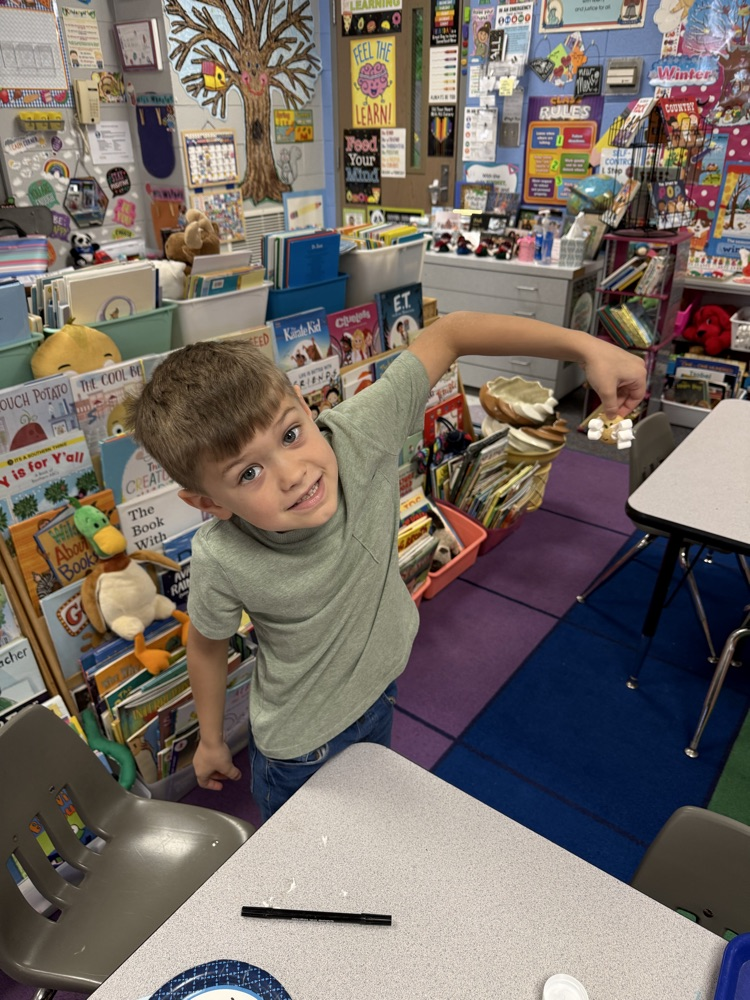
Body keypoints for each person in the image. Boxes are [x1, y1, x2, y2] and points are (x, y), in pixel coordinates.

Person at [127, 312, 645, 821]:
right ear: (208, 504)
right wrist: (212, 741)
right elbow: (206, 643)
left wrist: (587, 347)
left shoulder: (358, 434)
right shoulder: (221, 554)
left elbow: (451, 333)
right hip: (300, 745)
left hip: (380, 694)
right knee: (310, 875)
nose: (293, 473)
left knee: (375, 834)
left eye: (290, 435)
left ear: (308, 409)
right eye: (249, 473)